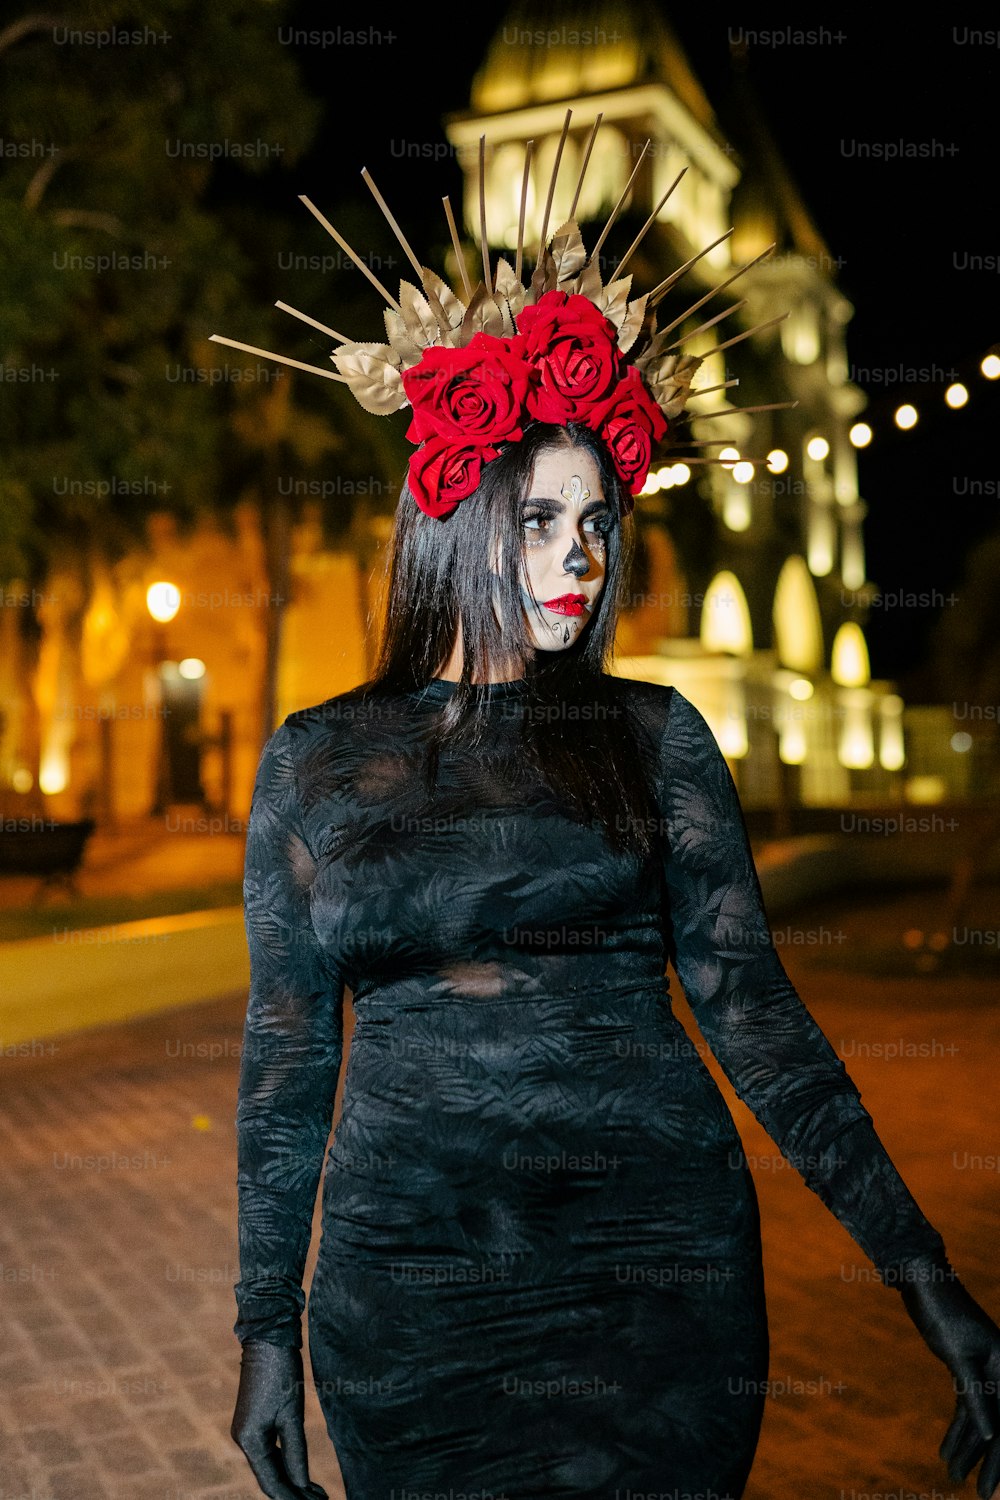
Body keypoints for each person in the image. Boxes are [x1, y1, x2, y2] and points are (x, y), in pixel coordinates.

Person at [215, 155, 1000, 1500]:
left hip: (661, 1280)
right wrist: (264, 1332)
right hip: (411, 1296)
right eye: (540, 521)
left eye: (597, 522)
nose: (582, 558)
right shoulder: (318, 763)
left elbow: (759, 1019)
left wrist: (933, 1290)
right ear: (457, 519)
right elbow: (286, 1071)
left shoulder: (656, 738)